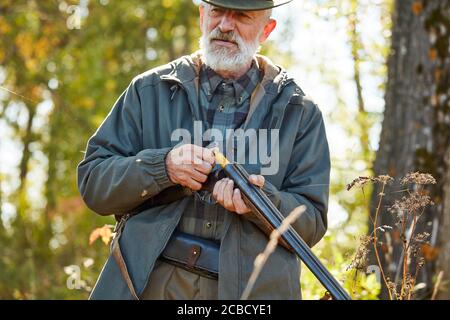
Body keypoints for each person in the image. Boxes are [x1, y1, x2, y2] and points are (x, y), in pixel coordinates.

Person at [77, 0, 330, 300]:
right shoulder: (147, 90)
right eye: (217, 11)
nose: (225, 25)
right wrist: (164, 167)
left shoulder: (300, 112)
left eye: (241, 16)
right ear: (201, 16)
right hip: (144, 288)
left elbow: (311, 224)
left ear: (267, 30)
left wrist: (260, 203)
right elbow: (94, 182)